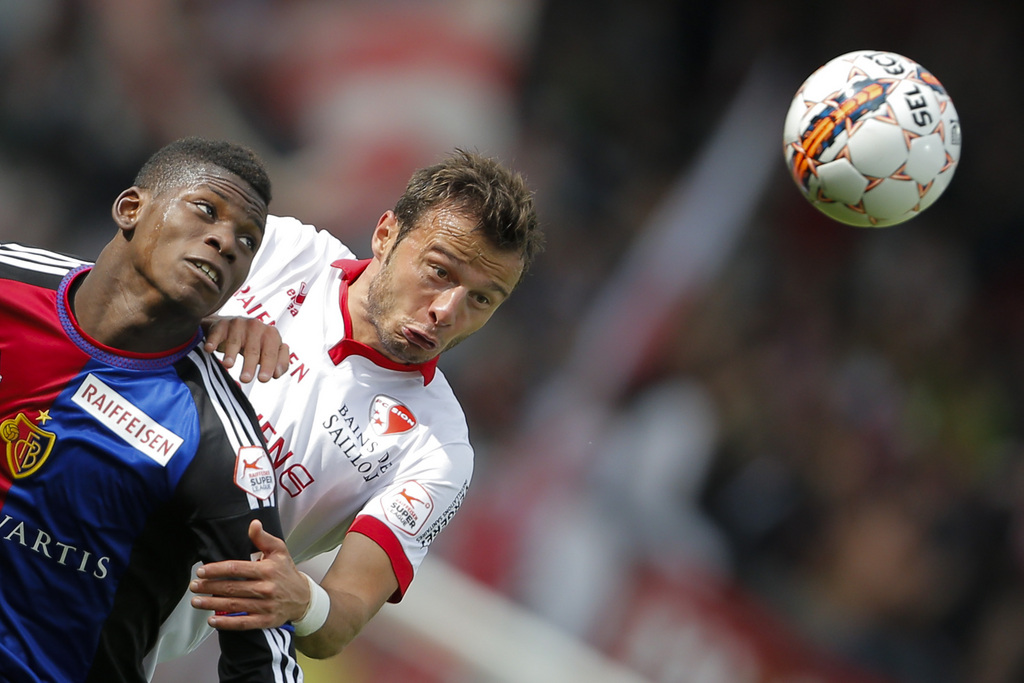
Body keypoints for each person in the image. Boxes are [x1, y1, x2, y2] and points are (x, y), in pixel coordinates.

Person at [148, 148, 542, 674]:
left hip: (128, 635)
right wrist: (198, 327)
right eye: (439, 271)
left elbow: (342, 618)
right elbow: (107, 305)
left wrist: (302, 601)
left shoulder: (436, 449)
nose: (447, 311)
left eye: (482, 300)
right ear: (385, 234)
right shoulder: (280, 250)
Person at [0, 137, 302, 683]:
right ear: (130, 209)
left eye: (247, 241)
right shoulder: (9, 283)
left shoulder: (220, 445)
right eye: (208, 211)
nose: (225, 242)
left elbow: (264, 658)